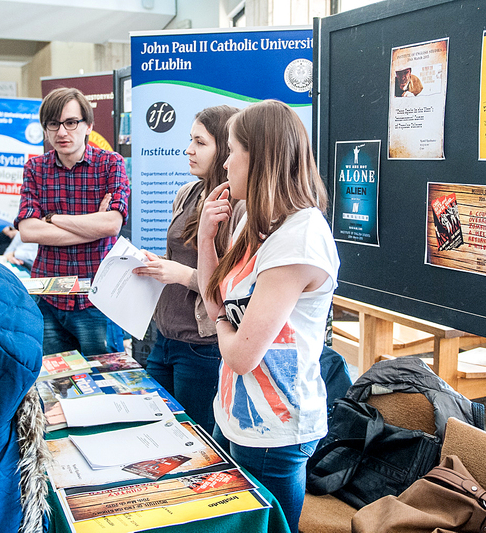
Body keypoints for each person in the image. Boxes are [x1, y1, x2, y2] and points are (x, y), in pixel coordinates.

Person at [197, 99, 340, 533]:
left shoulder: (300, 238)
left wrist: (223, 325)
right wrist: (205, 238)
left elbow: (241, 355)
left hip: (273, 432)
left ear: (259, 157)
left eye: (232, 151)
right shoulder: (258, 221)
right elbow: (215, 304)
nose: (225, 164)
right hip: (234, 415)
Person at [132, 105, 242, 434]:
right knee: (158, 430)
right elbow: (178, 255)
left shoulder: (238, 205)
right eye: (190, 140)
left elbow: (234, 283)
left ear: (225, 148)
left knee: (196, 440)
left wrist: (180, 274)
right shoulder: (187, 193)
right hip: (165, 336)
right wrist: (153, 263)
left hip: (201, 344)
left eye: (200, 142)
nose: (188, 150)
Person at [16, 87, 130, 357]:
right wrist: (93, 227)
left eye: (71, 122)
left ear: (88, 126)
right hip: (48, 297)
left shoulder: (110, 163)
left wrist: (52, 218)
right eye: (53, 124)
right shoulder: (35, 168)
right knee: (56, 379)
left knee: (105, 377)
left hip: (97, 298)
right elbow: (28, 231)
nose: (62, 132)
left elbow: (112, 225)